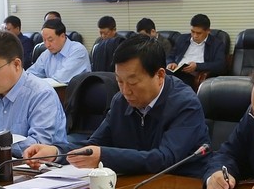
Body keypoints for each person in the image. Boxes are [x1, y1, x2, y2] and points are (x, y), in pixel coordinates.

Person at [25, 35, 210, 176]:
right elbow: (94, 145)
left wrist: (104, 156)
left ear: (160, 75)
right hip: (134, 185)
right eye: (119, 81)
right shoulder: (120, 101)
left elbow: (165, 159)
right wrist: (57, 152)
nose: (125, 91)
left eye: (133, 82)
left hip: (181, 188)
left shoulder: (185, 104)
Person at [166, 13, 226, 86]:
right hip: (175, 72)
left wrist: (197, 66)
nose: (195, 36)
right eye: (192, 31)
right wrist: (171, 63)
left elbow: (220, 65)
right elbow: (170, 56)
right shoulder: (182, 38)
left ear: (208, 31)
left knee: (175, 84)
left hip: (193, 76)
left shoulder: (216, 44)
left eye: (199, 33)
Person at [26, 18, 90, 83]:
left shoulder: (78, 51)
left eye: (50, 40)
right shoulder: (47, 54)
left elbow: (60, 79)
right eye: (44, 40)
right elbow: (30, 75)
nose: (47, 45)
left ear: (62, 36)